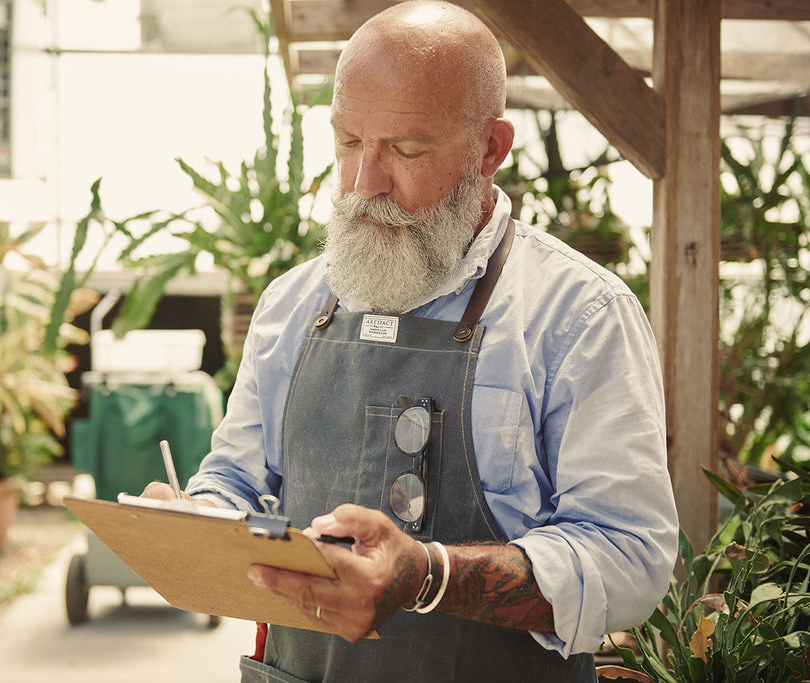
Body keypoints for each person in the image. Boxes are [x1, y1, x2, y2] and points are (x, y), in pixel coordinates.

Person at [142, 1, 678, 680]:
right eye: (347, 142)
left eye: (405, 148)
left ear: (490, 149)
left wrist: (429, 575)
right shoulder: (293, 304)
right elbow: (238, 479)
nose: (366, 184)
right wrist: (198, 520)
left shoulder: (578, 317)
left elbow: (630, 558)